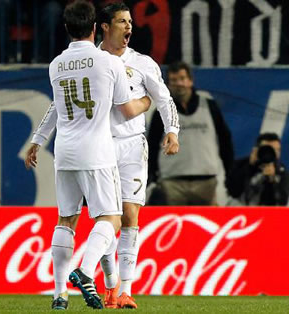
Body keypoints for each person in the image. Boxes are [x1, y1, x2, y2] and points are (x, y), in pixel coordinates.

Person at [24, 0, 151, 310]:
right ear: (95, 28)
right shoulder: (109, 63)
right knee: (111, 218)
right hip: (97, 152)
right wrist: (148, 100)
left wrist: (38, 140)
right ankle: (84, 270)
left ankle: (58, 295)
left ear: (67, 28)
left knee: (66, 220)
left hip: (64, 152)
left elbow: (55, 107)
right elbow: (127, 107)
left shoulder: (56, 64)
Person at [97, 2, 180, 309]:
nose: (130, 26)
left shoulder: (143, 63)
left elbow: (164, 98)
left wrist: (173, 131)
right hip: (99, 147)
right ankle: (109, 287)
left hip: (132, 144)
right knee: (105, 217)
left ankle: (125, 289)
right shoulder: (92, 61)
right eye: (122, 21)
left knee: (130, 214)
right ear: (105, 26)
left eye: (130, 21)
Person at [147, 61, 234, 206]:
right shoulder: (161, 113)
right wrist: (153, 175)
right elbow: (152, 145)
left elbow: (225, 139)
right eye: (174, 80)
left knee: (208, 226)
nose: (179, 84)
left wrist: (229, 171)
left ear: (190, 81)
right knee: (175, 226)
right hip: (172, 182)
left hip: (207, 181)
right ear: (168, 85)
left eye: (182, 79)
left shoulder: (209, 106)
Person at [229, 132, 289, 206]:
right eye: (269, 149)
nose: (274, 154)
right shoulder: (240, 165)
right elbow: (233, 192)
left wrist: (271, 181)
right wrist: (249, 167)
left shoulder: (282, 173)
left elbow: (280, 204)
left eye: (277, 150)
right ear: (257, 150)